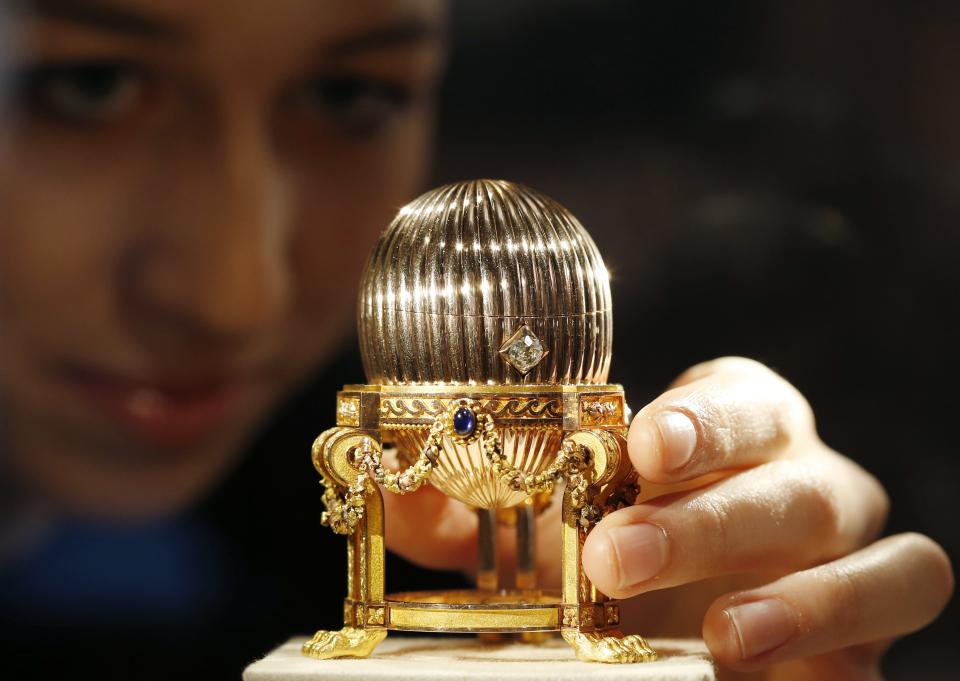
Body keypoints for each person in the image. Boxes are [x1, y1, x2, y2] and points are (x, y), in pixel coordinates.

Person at [0, 1, 951, 679]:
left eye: (349, 94)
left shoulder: (333, 526)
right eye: (87, 84)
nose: (236, 296)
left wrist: (698, 630)